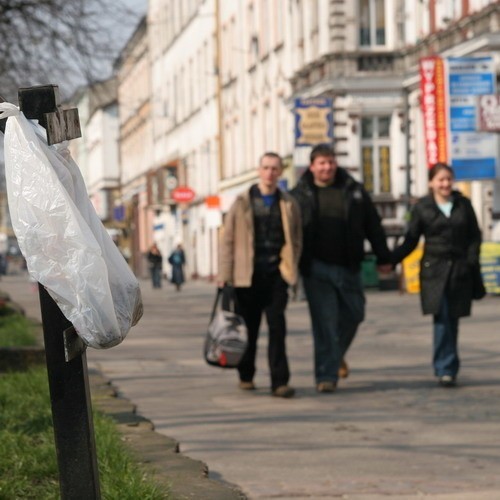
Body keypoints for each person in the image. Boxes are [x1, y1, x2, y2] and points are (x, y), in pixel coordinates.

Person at [291, 143, 392, 393]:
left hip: (349, 265)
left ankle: (334, 355)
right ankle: (326, 376)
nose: (327, 167)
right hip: (316, 267)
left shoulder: (353, 190)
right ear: (312, 166)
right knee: (324, 324)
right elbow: (290, 232)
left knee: (355, 313)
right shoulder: (299, 194)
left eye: (331, 162)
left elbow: (373, 225)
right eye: (322, 163)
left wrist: (384, 257)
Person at [391, 163, 483, 387]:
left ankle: (448, 365)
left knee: (454, 319)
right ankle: (445, 367)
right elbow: (411, 240)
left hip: (460, 270)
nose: (445, 184)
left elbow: (474, 236)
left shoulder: (463, 205)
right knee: (441, 318)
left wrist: (471, 261)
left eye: (448, 179)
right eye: (440, 180)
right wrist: (390, 259)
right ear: (431, 182)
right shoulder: (423, 208)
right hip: (434, 270)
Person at [218, 152, 302, 398]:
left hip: (276, 276)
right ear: (259, 170)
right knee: (249, 329)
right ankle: (246, 375)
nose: (270, 173)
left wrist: (291, 267)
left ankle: (280, 382)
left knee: (278, 328)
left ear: (280, 171)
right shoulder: (242, 202)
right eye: (266, 168)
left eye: (275, 168)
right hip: (247, 277)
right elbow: (228, 240)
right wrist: (225, 274)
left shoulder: (287, 202)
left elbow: (296, 238)